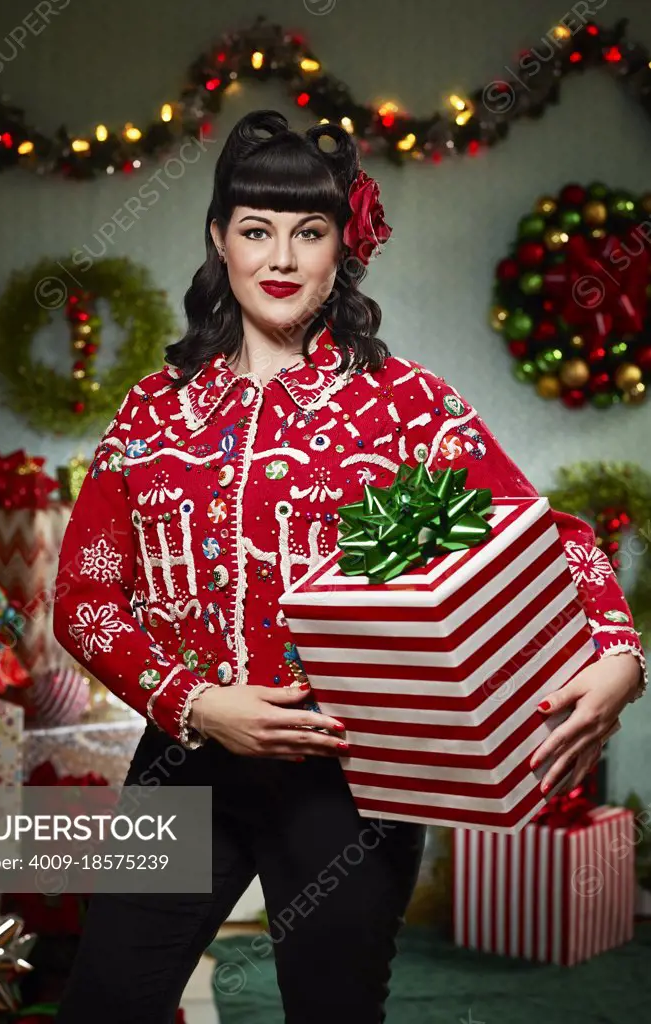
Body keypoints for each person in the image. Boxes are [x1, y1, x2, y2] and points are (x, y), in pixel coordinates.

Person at [52, 109, 646, 1023]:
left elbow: (550, 535)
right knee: (104, 1003)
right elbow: (86, 599)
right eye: (255, 230)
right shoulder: (150, 414)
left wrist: (616, 656)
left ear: (341, 249)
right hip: (184, 762)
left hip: (355, 773)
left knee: (333, 1011)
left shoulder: (406, 404)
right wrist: (199, 705)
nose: (280, 257)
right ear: (220, 239)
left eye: (308, 231)